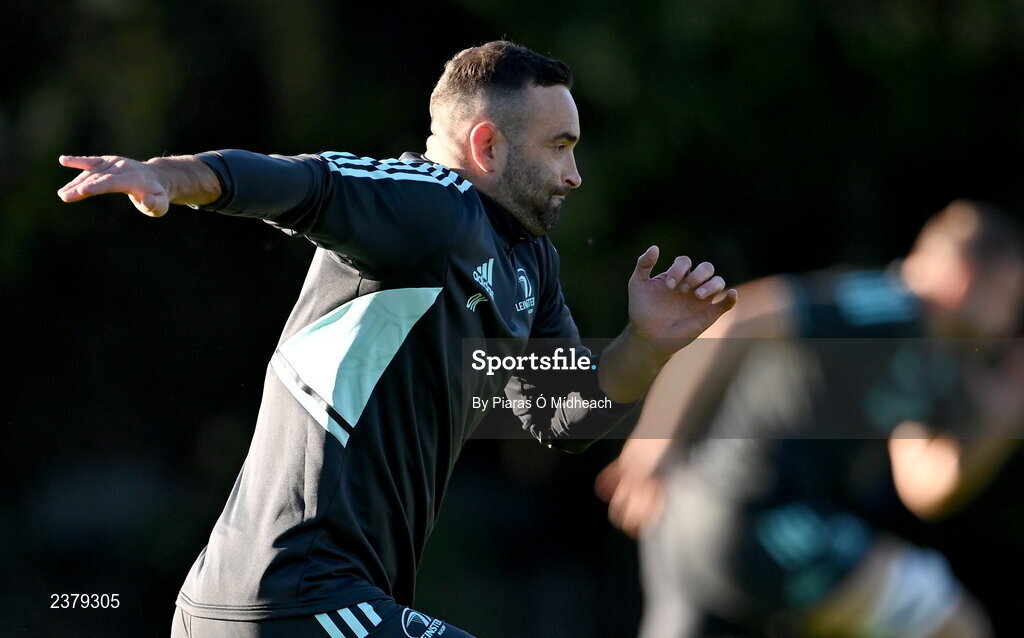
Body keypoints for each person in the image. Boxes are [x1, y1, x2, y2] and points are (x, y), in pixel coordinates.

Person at [57, 41, 737, 638]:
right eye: (559, 147)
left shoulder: (526, 263)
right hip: (294, 591)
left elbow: (567, 415)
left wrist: (647, 345)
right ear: (488, 146)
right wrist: (165, 177)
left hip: (313, 600)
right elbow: (303, 184)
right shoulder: (429, 203)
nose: (575, 173)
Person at [596, 200, 1024, 638]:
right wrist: (654, 443)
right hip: (746, 510)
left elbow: (926, 489)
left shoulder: (938, 358)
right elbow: (740, 317)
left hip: (720, 523)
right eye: (1008, 296)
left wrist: (1003, 423)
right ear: (966, 279)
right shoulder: (887, 304)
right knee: (954, 625)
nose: (1009, 319)